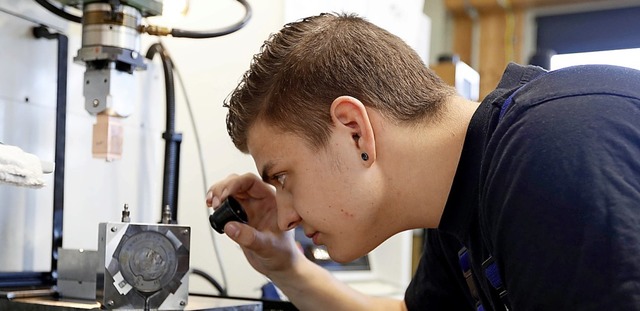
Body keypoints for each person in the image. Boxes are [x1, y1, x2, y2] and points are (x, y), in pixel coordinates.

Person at [205, 12, 640, 310]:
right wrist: (286, 266)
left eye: (283, 177)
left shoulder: (552, 152)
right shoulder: (461, 203)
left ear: (354, 130)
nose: (285, 218)